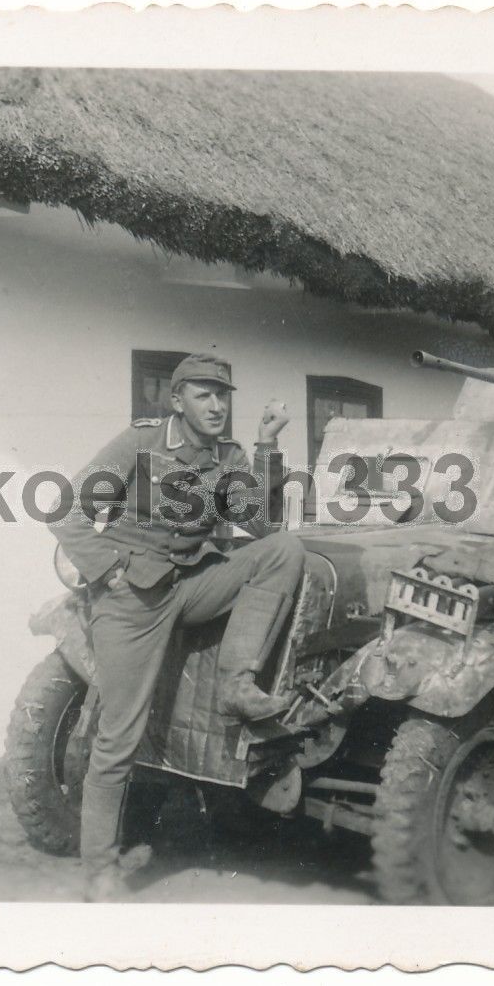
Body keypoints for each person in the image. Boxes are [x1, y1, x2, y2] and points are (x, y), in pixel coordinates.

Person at [52, 352, 306, 901]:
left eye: (223, 396)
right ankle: (100, 871)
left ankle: (237, 683)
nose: (216, 406)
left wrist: (267, 444)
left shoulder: (229, 455)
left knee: (284, 550)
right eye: (203, 395)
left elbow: (263, 525)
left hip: (190, 586)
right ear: (176, 400)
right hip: (132, 599)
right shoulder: (140, 442)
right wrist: (109, 572)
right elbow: (67, 511)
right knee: (118, 735)